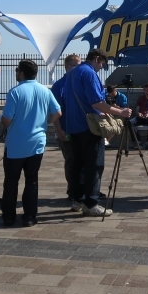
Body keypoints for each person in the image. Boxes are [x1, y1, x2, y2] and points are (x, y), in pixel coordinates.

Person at [64, 49, 131, 216]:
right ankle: (91, 202)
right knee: (94, 164)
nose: (101, 67)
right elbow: (96, 102)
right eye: (102, 63)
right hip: (88, 126)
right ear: (97, 59)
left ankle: (77, 199)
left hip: (72, 125)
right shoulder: (89, 73)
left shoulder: (72, 74)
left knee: (77, 165)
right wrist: (120, 112)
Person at [0, 60, 62, 227]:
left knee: (11, 182)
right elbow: (57, 112)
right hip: (37, 143)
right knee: (32, 181)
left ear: (21, 73)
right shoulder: (44, 90)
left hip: (15, 145)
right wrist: (44, 122)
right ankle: (29, 217)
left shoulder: (15, 92)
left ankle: (8, 216)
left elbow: (6, 119)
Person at [50, 54, 81, 201]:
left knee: (81, 161)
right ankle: (73, 190)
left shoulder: (80, 83)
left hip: (81, 129)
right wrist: (58, 130)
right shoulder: (59, 86)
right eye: (76, 65)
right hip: (66, 130)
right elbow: (55, 111)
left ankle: (82, 189)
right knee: (71, 161)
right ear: (67, 67)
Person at [133, 83, 148, 148]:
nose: (146, 92)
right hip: (141, 117)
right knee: (130, 124)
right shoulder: (141, 99)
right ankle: (138, 141)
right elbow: (137, 110)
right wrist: (139, 113)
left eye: (147, 90)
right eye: (144, 90)